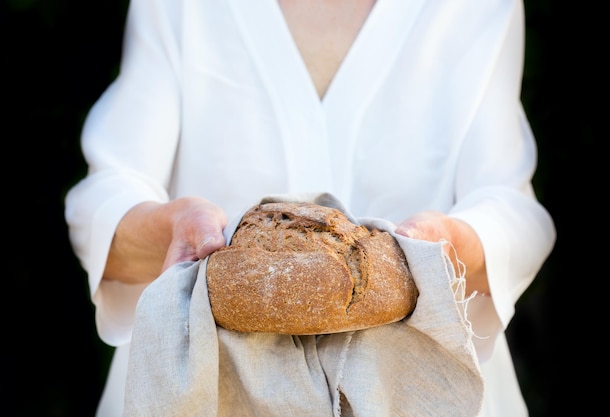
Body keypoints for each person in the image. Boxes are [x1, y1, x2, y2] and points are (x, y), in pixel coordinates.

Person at [65, 0, 556, 416]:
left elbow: (512, 207)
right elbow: (105, 197)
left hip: (423, 393)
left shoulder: (477, 8)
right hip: (203, 391)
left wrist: (448, 246)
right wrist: (171, 228)